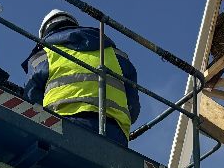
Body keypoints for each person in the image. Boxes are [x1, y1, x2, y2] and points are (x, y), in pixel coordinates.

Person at [23, 9, 141, 146]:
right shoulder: (117, 55)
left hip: (62, 125)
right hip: (115, 133)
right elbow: (133, 107)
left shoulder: (44, 55)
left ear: (45, 33)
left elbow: (31, 100)